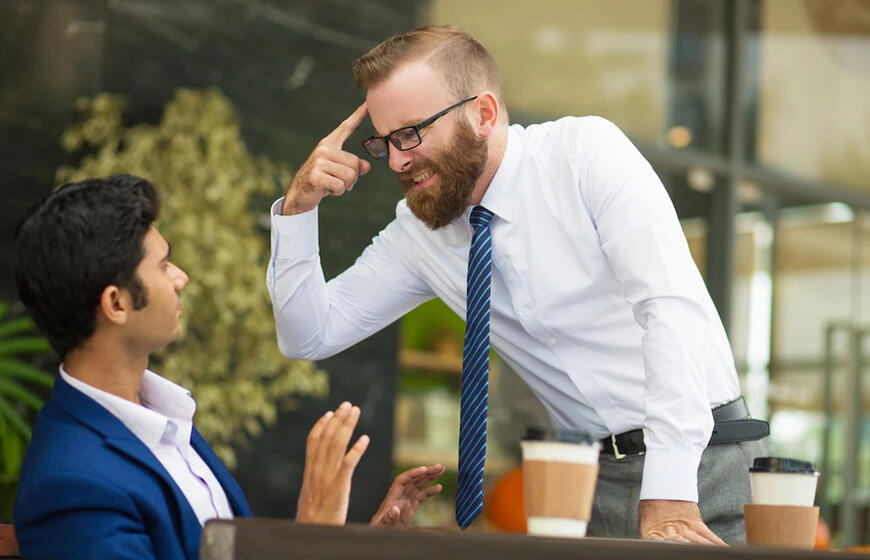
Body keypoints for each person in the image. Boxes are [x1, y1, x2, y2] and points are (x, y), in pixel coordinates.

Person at [267, 25, 769, 544]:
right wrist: (299, 209)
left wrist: (669, 493)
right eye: (385, 142)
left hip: (700, 467)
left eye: (411, 134)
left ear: (483, 114)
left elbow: (670, 309)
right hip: (584, 488)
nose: (396, 159)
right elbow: (310, 334)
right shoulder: (420, 235)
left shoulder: (583, 155)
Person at [13, 175, 444, 560]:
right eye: (163, 266)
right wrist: (314, 534)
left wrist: (361, 545)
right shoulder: (72, 486)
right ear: (117, 303)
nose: (181, 277)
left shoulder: (163, 418)